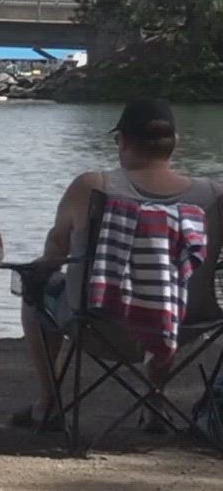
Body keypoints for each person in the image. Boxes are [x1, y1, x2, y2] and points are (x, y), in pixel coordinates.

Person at [13, 99, 221, 431]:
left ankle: (48, 404)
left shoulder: (92, 187)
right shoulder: (214, 196)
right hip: (185, 326)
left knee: (34, 287)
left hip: (97, 322)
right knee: (167, 292)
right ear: (175, 142)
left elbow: (54, 253)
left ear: (122, 141)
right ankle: (154, 405)